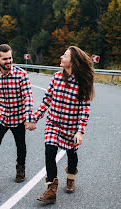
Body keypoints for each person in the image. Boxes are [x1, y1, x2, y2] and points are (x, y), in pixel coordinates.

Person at [26, 46, 95, 203]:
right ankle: (51, 189)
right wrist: (34, 119)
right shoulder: (57, 77)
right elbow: (46, 101)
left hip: (71, 127)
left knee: (72, 154)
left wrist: (80, 132)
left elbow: (85, 109)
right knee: (49, 150)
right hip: (53, 124)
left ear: (73, 61)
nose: (61, 57)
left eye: (65, 55)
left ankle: (71, 176)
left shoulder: (82, 82)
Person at [0, 44, 34, 191]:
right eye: (5, 59)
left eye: (10, 58)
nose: (8, 61)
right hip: (1, 116)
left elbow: (28, 97)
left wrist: (29, 118)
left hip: (18, 117)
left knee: (20, 144)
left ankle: (20, 168)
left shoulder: (22, 75)